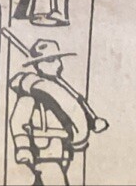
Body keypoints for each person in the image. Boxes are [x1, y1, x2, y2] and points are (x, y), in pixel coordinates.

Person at [8, 38, 107, 184]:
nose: (58, 65)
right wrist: (23, 147)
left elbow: (77, 108)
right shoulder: (31, 92)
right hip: (44, 151)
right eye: (51, 60)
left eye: (58, 60)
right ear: (39, 64)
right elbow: (17, 121)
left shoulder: (63, 89)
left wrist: (93, 121)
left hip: (63, 150)